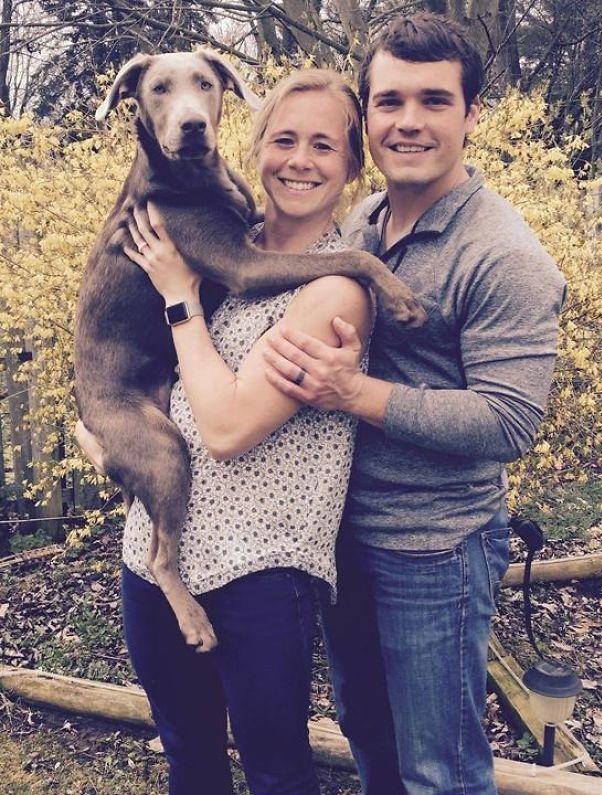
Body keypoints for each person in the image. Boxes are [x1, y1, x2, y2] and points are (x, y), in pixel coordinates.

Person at [263, 14, 568, 795]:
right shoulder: (362, 222)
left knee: (441, 770)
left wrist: (353, 391)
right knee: (371, 737)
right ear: (366, 116)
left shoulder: (503, 254)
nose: (407, 122)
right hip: (341, 537)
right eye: (389, 101)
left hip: (434, 549)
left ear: (471, 115)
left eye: (434, 100)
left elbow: (508, 420)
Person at [76, 69, 372, 795]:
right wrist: (105, 435)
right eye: (284, 140)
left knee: (275, 772)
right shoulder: (212, 234)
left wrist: (181, 298)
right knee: (190, 758)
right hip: (156, 559)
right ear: (256, 145)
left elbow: (227, 426)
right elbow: (117, 339)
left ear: (352, 165)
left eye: (324, 146)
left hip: (260, 573)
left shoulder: (332, 287)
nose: (300, 160)